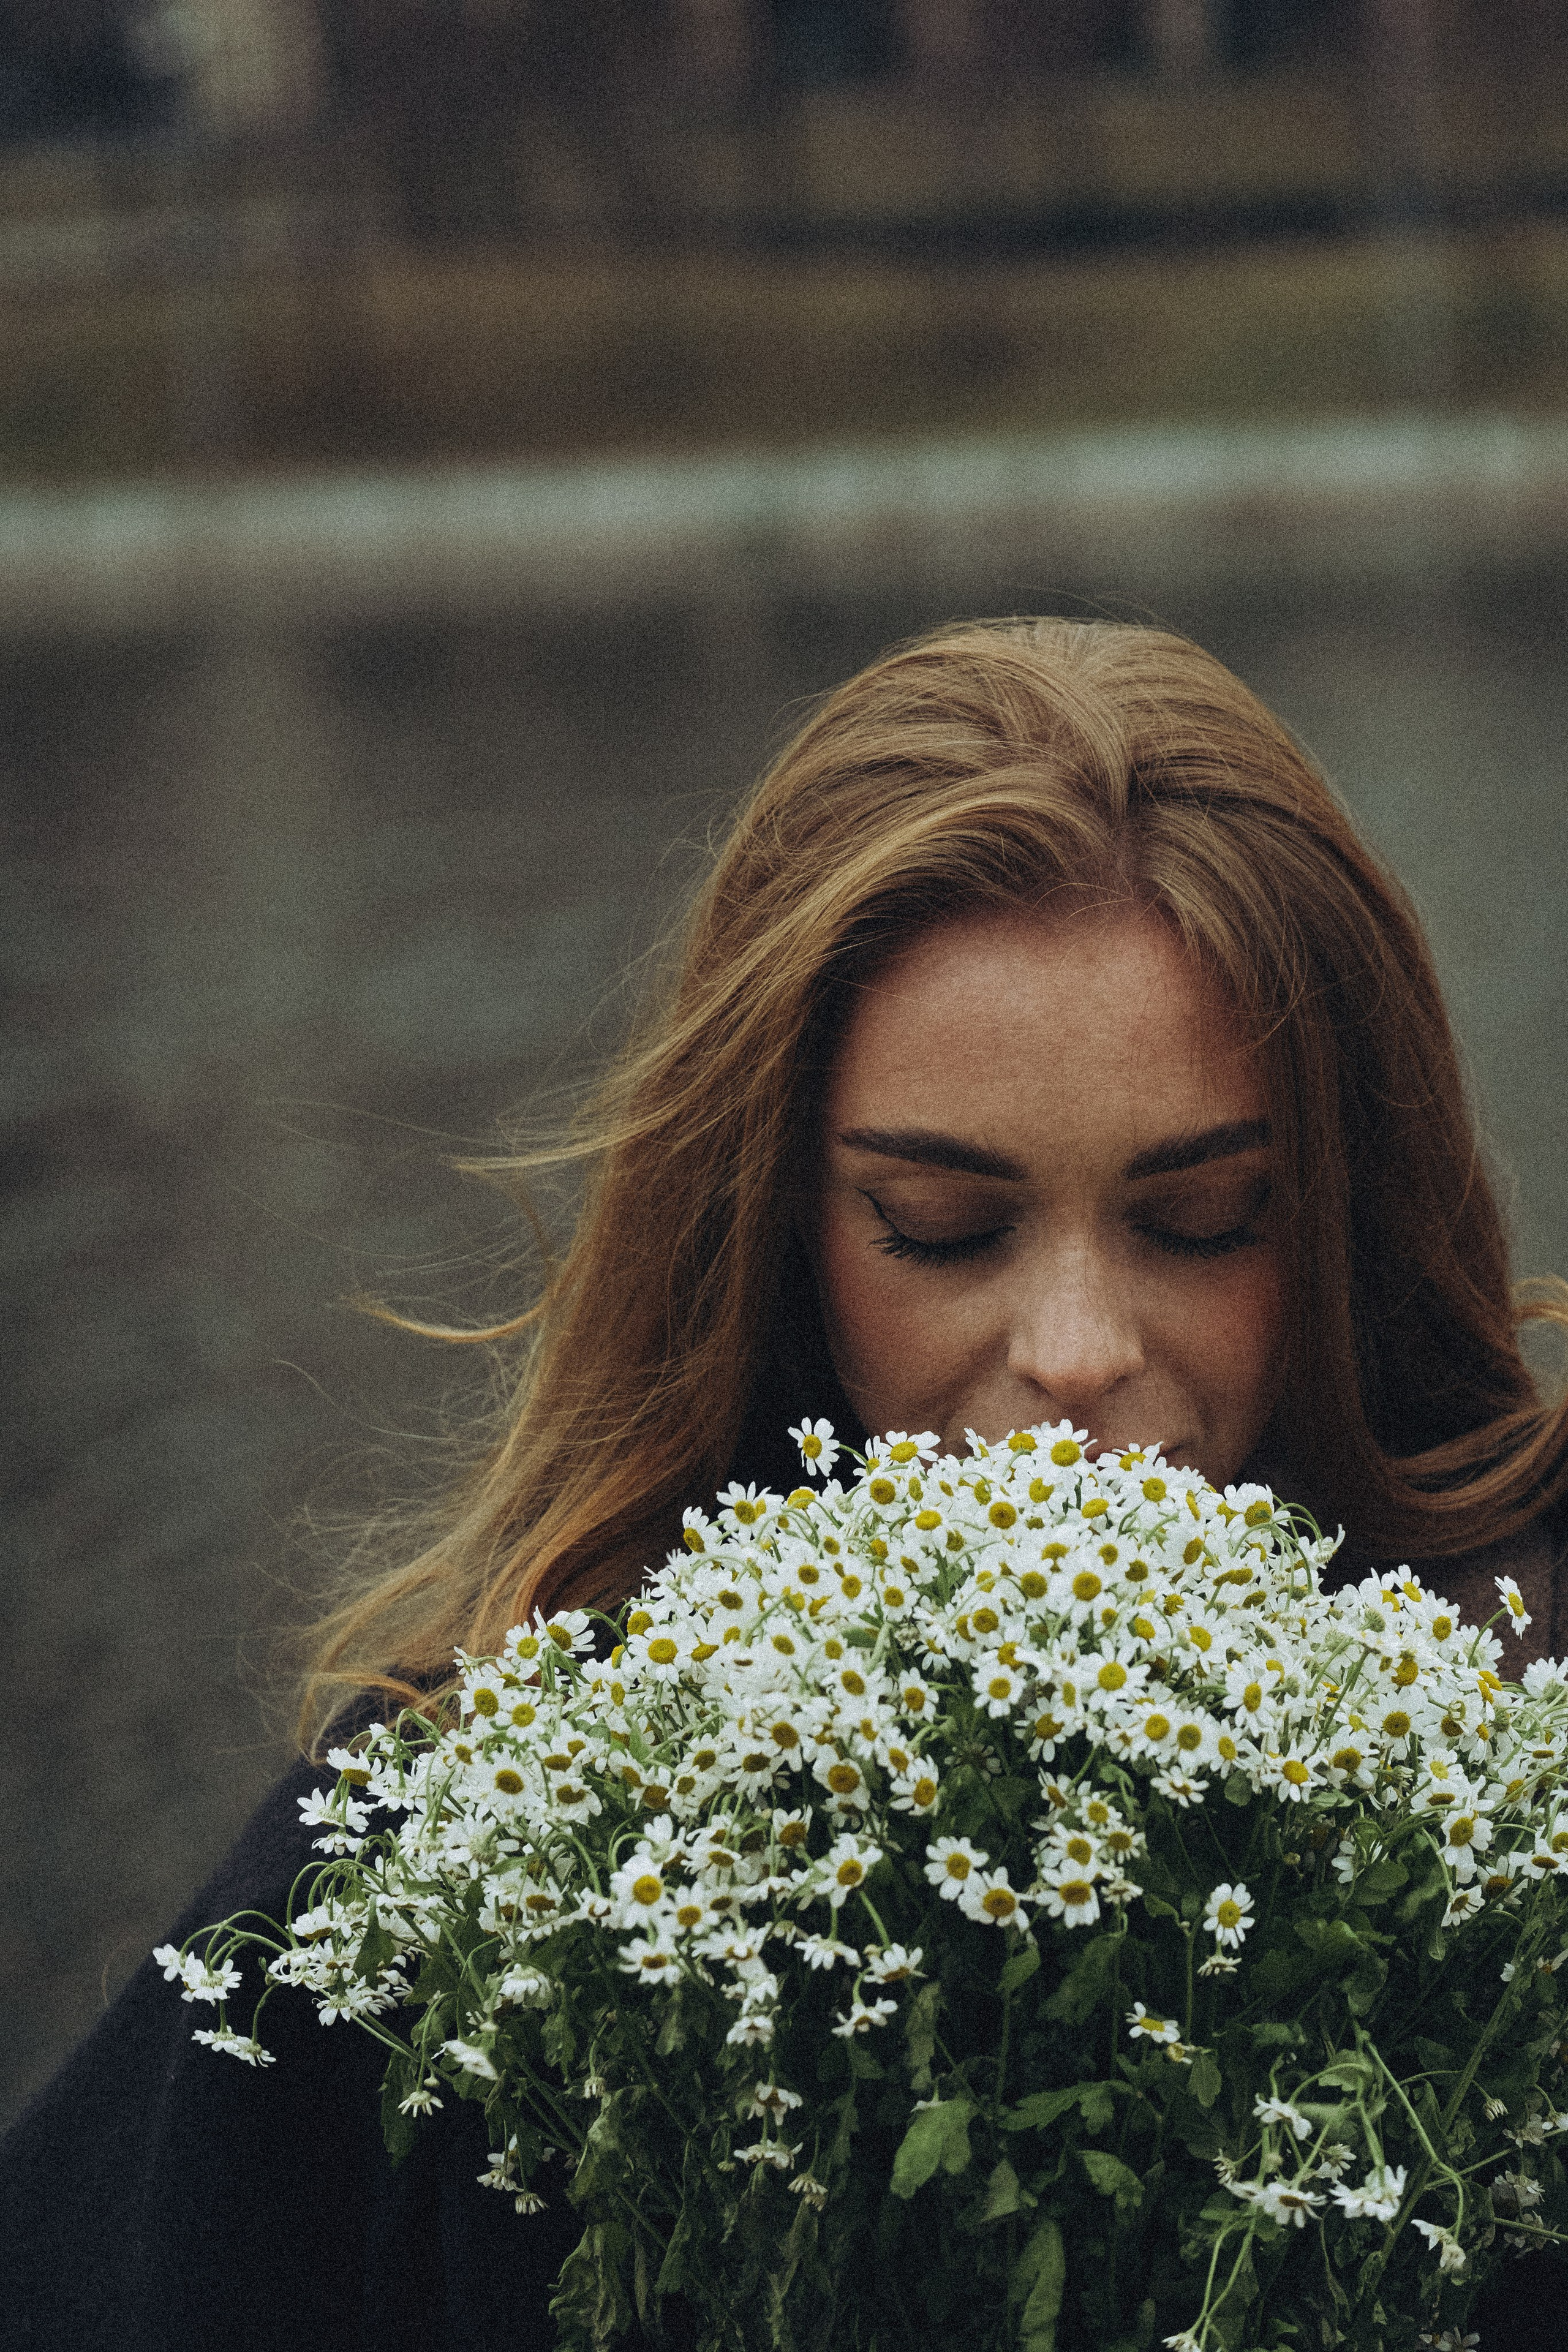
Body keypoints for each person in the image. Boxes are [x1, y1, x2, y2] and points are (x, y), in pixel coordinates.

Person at [4, 617, 1566, 2346]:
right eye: (942, 1230)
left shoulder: (1525, 1784)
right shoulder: (469, 1853)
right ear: (771, 1234)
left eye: (1203, 1223)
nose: (1073, 1351)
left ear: (1349, 1214)